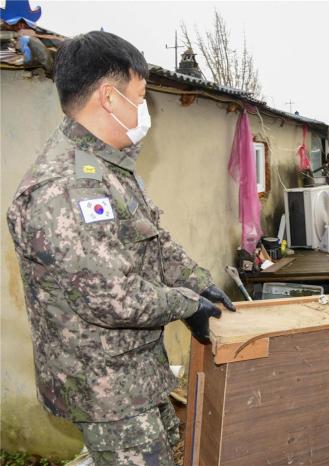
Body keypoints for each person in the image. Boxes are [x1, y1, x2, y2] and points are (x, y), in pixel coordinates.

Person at [6, 31, 236, 464]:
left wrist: (200, 284)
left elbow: (152, 240)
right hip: (105, 390)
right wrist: (186, 304)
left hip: (135, 371)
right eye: (141, 95)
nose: (145, 109)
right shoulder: (66, 185)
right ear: (110, 98)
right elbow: (111, 298)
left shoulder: (107, 166)